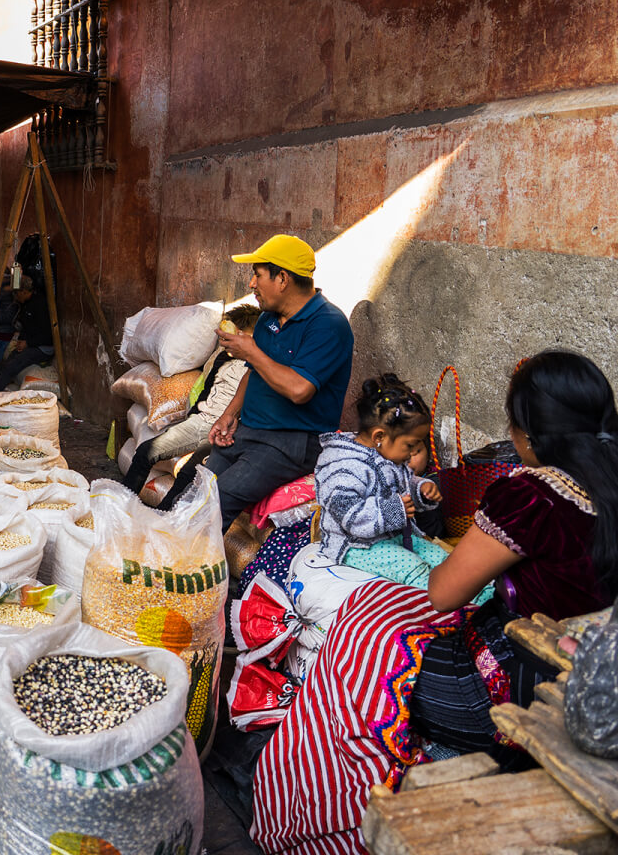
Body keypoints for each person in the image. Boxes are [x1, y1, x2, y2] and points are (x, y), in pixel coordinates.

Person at [251, 350, 618, 855]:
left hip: (509, 686)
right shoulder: (609, 484)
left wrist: (430, 538)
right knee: (373, 608)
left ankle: (325, 804)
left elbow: (444, 592)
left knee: (358, 643)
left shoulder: (531, 497)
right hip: (594, 680)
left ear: (530, 436)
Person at [205, 234, 354, 529]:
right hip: (251, 430)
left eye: (257, 275)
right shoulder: (268, 319)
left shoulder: (329, 324)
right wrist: (230, 414)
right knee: (202, 491)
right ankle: (174, 558)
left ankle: (190, 570)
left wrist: (252, 350)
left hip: (293, 441)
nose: (252, 284)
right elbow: (254, 372)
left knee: (219, 499)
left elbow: (300, 390)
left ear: (282, 278)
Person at [314, 374, 457, 590]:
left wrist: (420, 491)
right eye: (410, 445)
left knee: (446, 560)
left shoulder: (386, 454)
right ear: (379, 436)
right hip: (357, 546)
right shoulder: (341, 466)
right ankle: (446, 607)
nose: (411, 454)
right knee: (414, 570)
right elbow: (349, 516)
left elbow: (401, 485)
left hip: (394, 537)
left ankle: (484, 599)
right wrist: (394, 509)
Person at [123, 304, 262, 493]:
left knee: (190, 473)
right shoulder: (222, 358)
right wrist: (192, 419)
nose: (225, 342)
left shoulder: (260, 365)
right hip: (201, 423)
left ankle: (167, 514)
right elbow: (206, 391)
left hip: (227, 431)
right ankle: (123, 501)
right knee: (146, 451)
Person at [0, 275, 54, 391]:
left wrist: (28, 343)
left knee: (11, 367)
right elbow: (26, 327)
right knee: (4, 365)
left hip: (42, 348)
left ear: (24, 291)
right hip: (30, 344)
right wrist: (21, 341)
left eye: (16, 293)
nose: (15, 297)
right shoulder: (26, 304)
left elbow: (48, 336)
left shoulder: (40, 304)